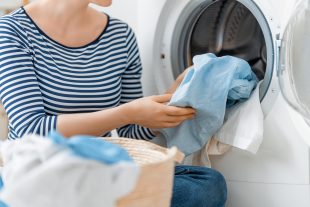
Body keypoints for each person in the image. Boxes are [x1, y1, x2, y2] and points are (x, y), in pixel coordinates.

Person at [0, 0, 227, 206]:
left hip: (101, 169)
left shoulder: (120, 35)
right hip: (37, 173)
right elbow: (30, 129)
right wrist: (125, 113)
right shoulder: (11, 31)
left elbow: (129, 134)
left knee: (207, 183)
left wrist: (168, 102)